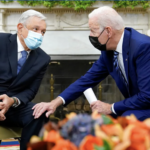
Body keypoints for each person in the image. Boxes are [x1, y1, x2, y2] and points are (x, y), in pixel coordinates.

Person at [33, 6, 150, 121]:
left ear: (108, 31)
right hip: (135, 105)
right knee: (98, 121)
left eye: (93, 30)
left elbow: (146, 96)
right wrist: (54, 103)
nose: (90, 35)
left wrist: (110, 107)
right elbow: (86, 80)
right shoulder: (108, 52)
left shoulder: (143, 47)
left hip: (146, 105)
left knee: (126, 120)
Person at [0, 10, 50, 150]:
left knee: (40, 113)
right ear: (20, 27)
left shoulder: (43, 59)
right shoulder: (1, 41)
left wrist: (12, 101)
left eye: (43, 32)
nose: (40, 34)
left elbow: (31, 90)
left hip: (14, 105)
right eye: (36, 29)